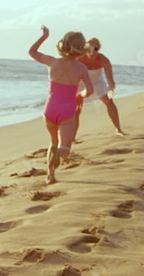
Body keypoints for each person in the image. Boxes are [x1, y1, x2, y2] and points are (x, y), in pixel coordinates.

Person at [28, 26, 94, 184]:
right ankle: (58, 153)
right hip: (67, 110)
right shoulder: (81, 68)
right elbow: (90, 90)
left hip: (49, 109)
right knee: (65, 148)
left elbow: (32, 52)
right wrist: (80, 95)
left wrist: (45, 36)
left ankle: (50, 176)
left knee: (53, 141)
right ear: (81, 48)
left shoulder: (52, 62)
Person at [78, 37, 125, 135]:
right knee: (77, 107)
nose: (92, 51)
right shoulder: (79, 58)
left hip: (97, 82)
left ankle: (118, 129)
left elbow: (110, 80)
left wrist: (111, 89)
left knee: (109, 101)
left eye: (95, 48)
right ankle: (72, 137)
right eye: (89, 48)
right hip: (81, 83)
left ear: (98, 49)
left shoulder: (103, 60)